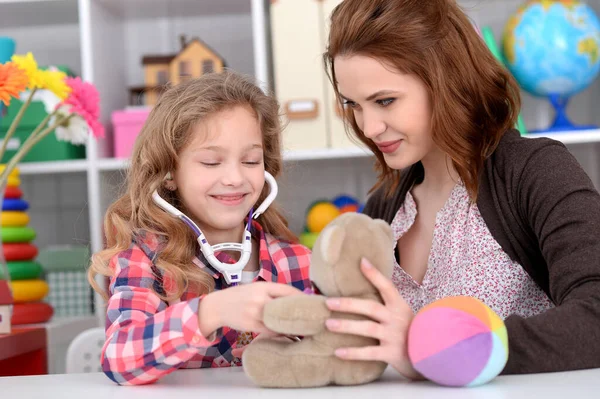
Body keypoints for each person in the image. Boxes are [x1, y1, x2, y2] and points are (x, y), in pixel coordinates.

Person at [320, 0, 600, 380]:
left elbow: (595, 314)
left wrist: (434, 347)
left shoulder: (535, 172)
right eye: (352, 105)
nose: (368, 127)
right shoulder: (385, 207)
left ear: (447, 79)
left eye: (385, 101)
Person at [88, 71, 311, 385]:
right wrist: (211, 312)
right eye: (211, 162)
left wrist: (295, 348)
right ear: (169, 173)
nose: (235, 177)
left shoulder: (295, 261)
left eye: (250, 161)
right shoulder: (144, 259)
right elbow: (120, 359)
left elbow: (331, 344)